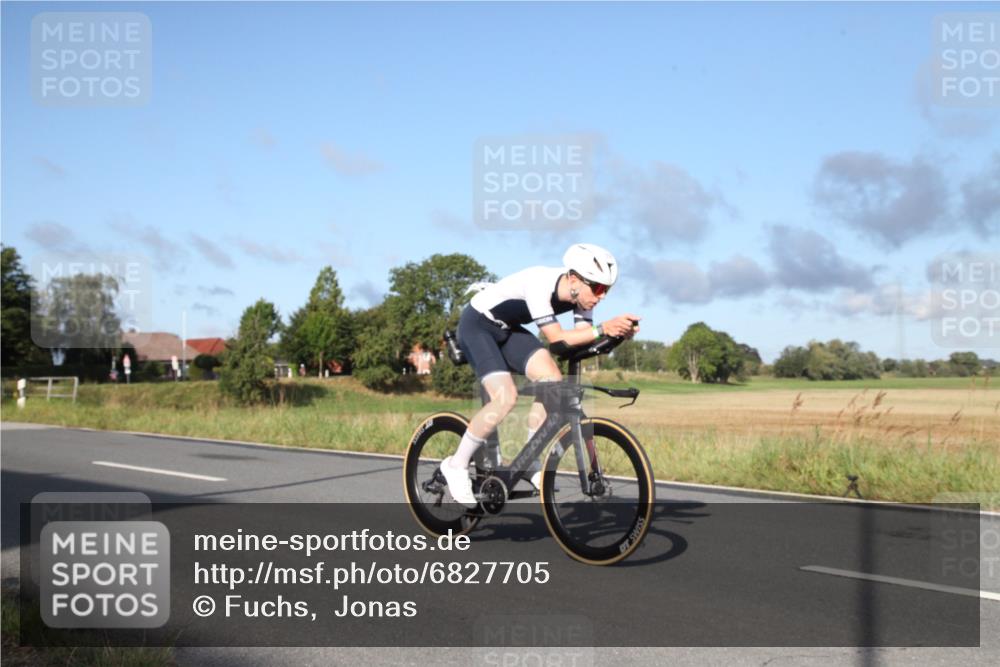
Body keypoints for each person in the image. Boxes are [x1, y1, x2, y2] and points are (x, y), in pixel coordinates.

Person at [441, 243, 640, 506]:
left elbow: (580, 343)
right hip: (477, 325)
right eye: (598, 287)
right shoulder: (539, 284)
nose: (601, 296)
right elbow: (557, 339)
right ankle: (455, 465)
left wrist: (616, 336)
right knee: (505, 397)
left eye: (607, 290)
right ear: (573, 279)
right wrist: (604, 328)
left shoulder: (582, 299)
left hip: (508, 329)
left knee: (552, 382)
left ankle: (530, 460)